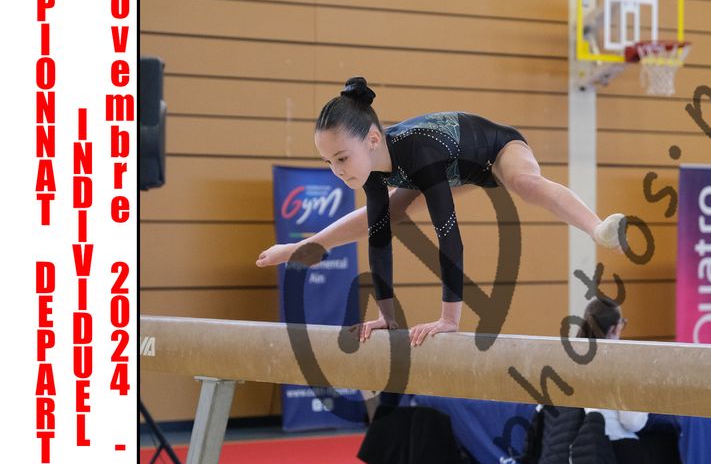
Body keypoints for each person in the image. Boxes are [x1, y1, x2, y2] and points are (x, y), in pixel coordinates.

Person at [256, 77, 625, 344]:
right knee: (383, 216)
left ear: (372, 140)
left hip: (496, 150)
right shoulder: (373, 169)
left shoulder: (419, 153)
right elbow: (379, 241)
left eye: (341, 158)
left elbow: (449, 238)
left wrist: (449, 318)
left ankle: (598, 229)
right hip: (455, 169)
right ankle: (303, 247)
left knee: (524, 183)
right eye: (328, 162)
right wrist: (387, 316)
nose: (337, 171)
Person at [579, 295, 686, 464]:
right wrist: (668, 420)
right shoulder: (617, 360)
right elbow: (633, 422)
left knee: (663, 447)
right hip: (616, 454)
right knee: (675, 455)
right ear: (615, 328)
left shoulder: (573, 356)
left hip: (583, 454)